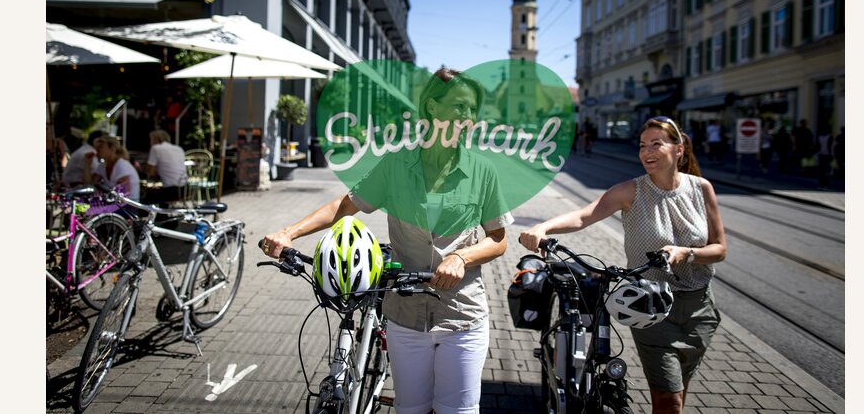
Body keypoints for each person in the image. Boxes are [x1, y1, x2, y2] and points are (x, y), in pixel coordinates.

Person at [262, 67, 513, 414]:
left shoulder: (483, 171)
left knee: (458, 411)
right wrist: (288, 232)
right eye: (459, 106)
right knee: (410, 408)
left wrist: (462, 258)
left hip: (462, 314)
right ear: (431, 108)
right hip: (405, 315)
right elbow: (344, 206)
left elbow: (498, 239)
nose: (467, 117)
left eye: (472, 110)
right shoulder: (396, 165)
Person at [518, 116, 727, 414]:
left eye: (657, 143)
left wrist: (687, 254)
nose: (647, 151)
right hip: (652, 308)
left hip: (699, 309)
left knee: (680, 390)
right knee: (669, 403)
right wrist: (543, 228)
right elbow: (584, 215)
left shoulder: (701, 188)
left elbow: (719, 249)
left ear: (679, 149)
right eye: (643, 145)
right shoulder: (632, 191)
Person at [84, 135, 141, 201]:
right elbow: (89, 184)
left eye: (101, 147)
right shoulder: (102, 165)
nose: (97, 150)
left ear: (112, 149)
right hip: (115, 203)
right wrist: (87, 164)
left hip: (128, 205)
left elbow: (125, 194)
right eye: (96, 147)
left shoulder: (122, 165)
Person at [144, 129, 188, 206]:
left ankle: (159, 216)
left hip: (171, 190)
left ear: (156, 139)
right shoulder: (178, 148)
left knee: (148, 194)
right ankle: (163, 214)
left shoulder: (156, 148)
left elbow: (150, 173)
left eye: (151, 140)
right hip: (185, 188)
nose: (150, 143)